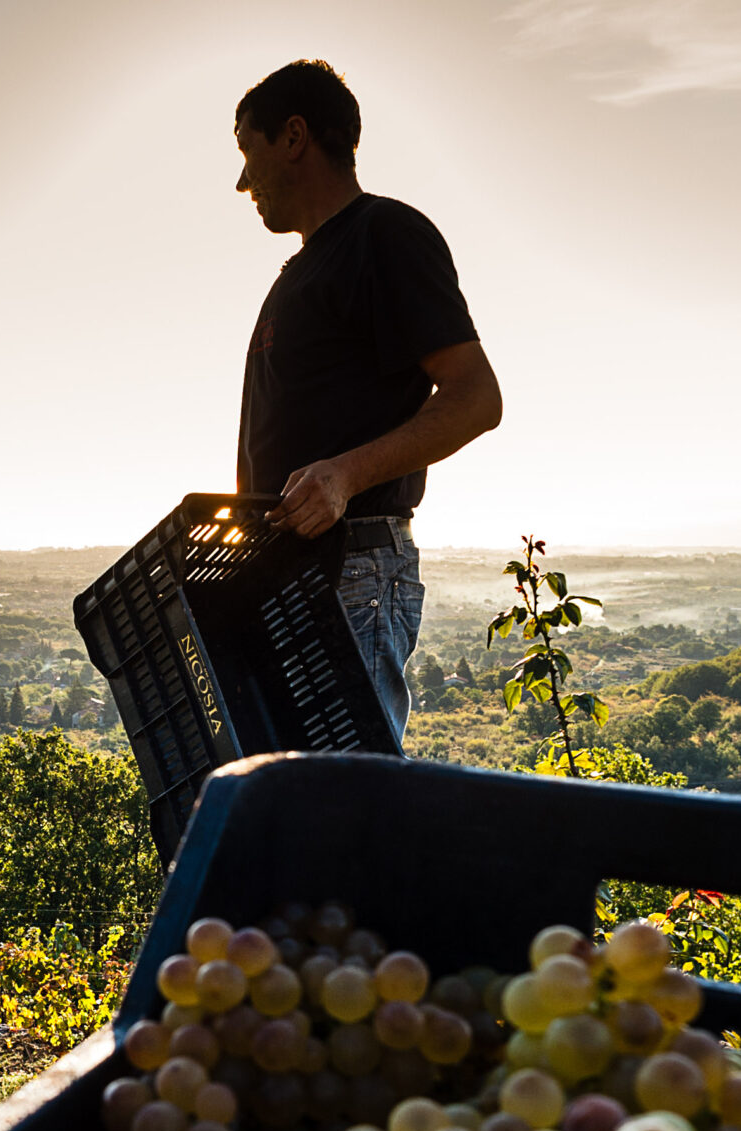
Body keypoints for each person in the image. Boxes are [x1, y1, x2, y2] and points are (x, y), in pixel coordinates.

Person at [233, 59, 501, 741]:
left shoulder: (384, 236)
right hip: (291, 574)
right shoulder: (301, 272)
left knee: (347, 803)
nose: (242, 182)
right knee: (295, 804)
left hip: (353, 566)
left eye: (247, 150)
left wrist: (343, 476)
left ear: (294, 136)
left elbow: (477, 397)